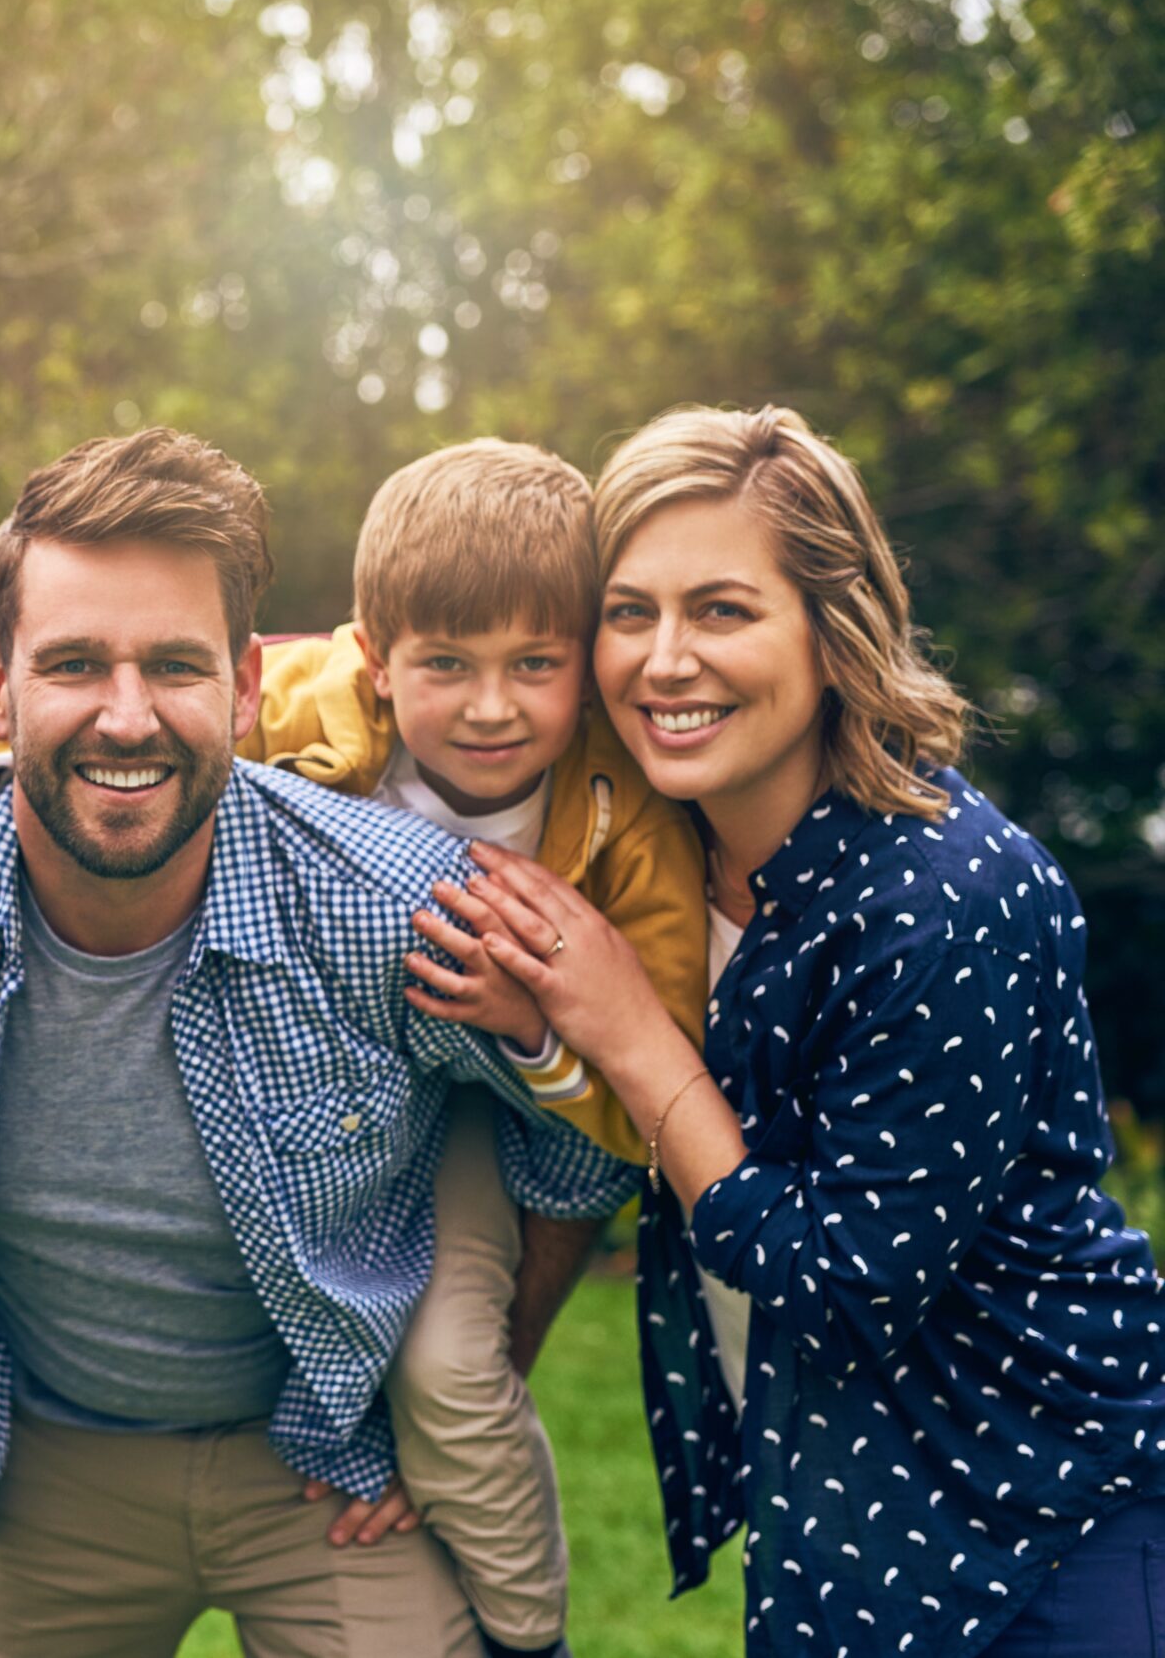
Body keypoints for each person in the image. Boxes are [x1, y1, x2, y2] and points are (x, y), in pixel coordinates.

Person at [0, 438, 707, 1656]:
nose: (490, 703)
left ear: (240, 684)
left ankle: (527, 1628)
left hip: (353, 1398)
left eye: (535, 664)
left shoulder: (553, 851)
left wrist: (539, 1043)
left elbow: (608, 1121)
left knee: (453, 1369)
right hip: (49, 1462)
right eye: (447, 664)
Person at [448, 405, 1165, 1657]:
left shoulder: (946, 898)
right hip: (837, 1522)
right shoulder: (660, 848)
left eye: (721, 610)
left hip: (1047, 1516)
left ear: (832, 635)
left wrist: (629, 1035)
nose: (664, 659)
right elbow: (353, 653)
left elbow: (839, 1283)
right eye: (629, 612)